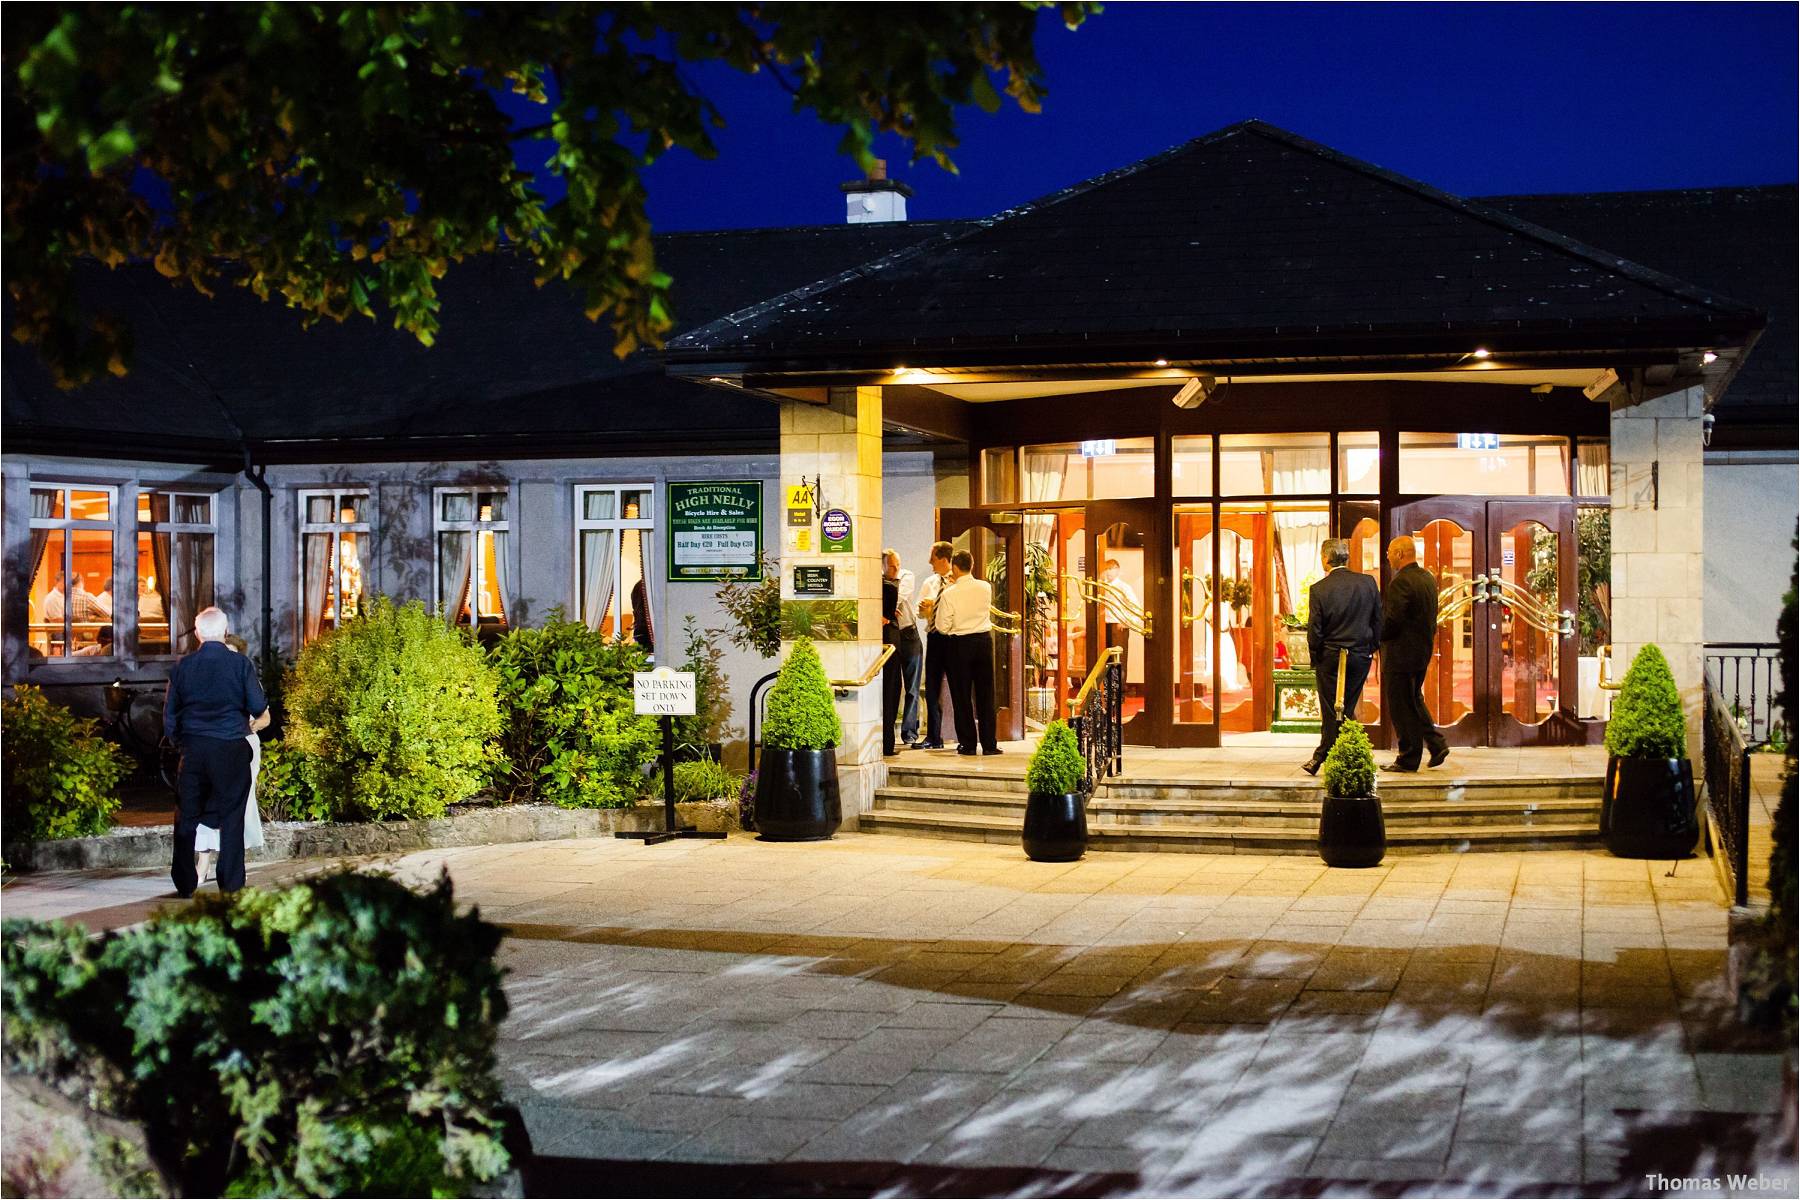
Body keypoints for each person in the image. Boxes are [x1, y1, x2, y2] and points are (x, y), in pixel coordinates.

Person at [164, 606, 270, 897]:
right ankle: (231, 883)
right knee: (232, 817)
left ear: (198, 633)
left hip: (195, 749)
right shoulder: (240, 665)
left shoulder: (182, 668)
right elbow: (258, 706)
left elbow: (170, 716)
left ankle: (185, 882)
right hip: (231, 747)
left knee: (186, 816)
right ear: (225, 632)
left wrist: (181, 745)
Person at [195, 635, 270, 883]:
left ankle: (232, 865)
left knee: (238, 805)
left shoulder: (246, 679)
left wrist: (251, 726)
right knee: (207, 801)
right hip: (211, 746)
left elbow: (265, 717)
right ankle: (203, 862)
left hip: (242, 745)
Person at [1302, 538, 1381, 776]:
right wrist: (1371, 648)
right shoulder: (1368, 583)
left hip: (1331, 656)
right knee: (1346, 706)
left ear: (1325, 559)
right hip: (1359, 655)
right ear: (1346, 558)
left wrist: (1315, 657)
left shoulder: (1319, 589)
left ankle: (1326, 756)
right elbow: (1378, 620)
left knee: (1331, 709)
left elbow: (1314, 629)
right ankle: (1347, 756)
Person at [1381, 535, 1451, 772]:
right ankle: (1436, 743)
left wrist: (1375, 635)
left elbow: (1393, 621)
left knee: (1401, 706)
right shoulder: (1427, 578)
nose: (1387, 555)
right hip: (1421, 651)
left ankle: (1408, 757)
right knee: (1413, 699)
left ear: (1400, 554)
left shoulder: (1401, 582)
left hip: (1401, 655)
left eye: (1390, 551)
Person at [938, 549, 1000, 756]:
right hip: (983, 641)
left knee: (962, 696)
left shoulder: (949, 593)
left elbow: (942, 626)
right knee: (985, 694)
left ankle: (968, 744)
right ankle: (990, 744)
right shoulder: (985, 587)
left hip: (960, 644)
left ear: (954, 567)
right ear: (971, 565)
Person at [913, 541, 955, 749]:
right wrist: (925, 609)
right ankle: (933, 737)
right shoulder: (929, 582)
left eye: (933, 557)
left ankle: (961, 736)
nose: (930, 561)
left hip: (954, 638)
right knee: (931, 687)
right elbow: (920, 613)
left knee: (958, 686)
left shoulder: (957, 582)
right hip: (935, 636)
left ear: (943, 558)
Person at [884, 549, 923, 745]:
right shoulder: (879, 580)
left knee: (912, 687)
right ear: (882, 565)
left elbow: (900, 595)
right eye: (891, 565)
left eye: (897, 564)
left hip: (908, 633)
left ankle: (909, 733)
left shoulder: (907, 575)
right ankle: (887, 733)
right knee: (891, 686)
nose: (896, 568)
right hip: (890, 635)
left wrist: (887, 609)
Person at [881, 567, 904, 756]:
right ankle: (887, 743)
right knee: (890, 692)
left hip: (888, 648)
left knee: (890, 692)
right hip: (889, 646)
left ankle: (887, 743)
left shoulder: (887, 588)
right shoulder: (888, 589)